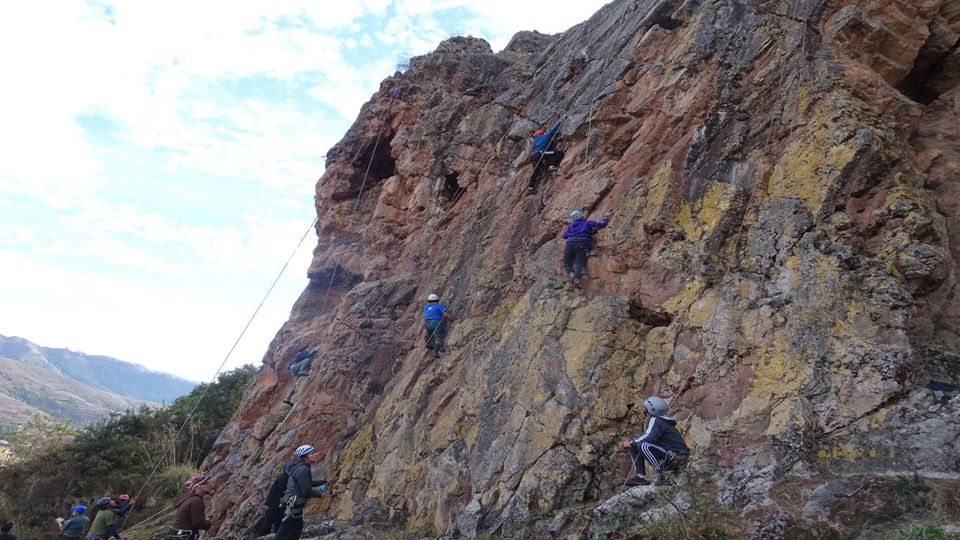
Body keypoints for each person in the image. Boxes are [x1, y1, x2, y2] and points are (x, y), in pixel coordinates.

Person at [619, 396, 690, 487]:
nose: (644, 411)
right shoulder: (663, 421)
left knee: (643, 445)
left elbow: (649, 438)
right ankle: (640, 477)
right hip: (677, 457)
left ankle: (662, 476)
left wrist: (630, 443)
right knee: (635, 445)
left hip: (676, 457)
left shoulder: (656, 420)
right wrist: (633, 443)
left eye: (645, 409)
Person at [276, 444, 330, 540]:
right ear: (305, 457)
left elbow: (307, 483)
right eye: (312, 453)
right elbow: (306, 490)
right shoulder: (303, 470)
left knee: (296, 528)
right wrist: (320, 495)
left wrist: (325, 481)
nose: (316, 454)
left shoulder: (302, 468)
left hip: (293, 502)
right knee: (287, 530)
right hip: (293, 503)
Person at [562, 210, 610, 287]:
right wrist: (606, 217)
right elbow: (602, 224)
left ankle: (573, 275)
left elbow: (564, 236)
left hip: (570, 244)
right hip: (583, 244)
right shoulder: (588, 223)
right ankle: (576, 280)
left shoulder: (571, 225)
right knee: (580, 264)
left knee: (566, 264)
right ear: (581, 215)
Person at [166, 474, 213, 540]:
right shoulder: (196, 501)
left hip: (177, 535)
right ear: (197, 487)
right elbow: (198, 523)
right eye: (205, 483)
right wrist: (211, 523)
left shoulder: (191, 499)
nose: (209, 485)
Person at [526, 121, 564, 192]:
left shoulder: (535, 141)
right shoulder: (545, 137)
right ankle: (551, 166)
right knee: (559, 153)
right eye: (543, 132)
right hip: (540, 153)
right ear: (542, 134)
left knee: (536, 171)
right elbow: (553, 130)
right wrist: (560, 123)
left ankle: (530, 187)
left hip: (533, 156)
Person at [253, 465, 289, 536]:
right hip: (274, 503)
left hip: (277, 503)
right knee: (269, 521)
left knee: (278, 520)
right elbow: (284, 490)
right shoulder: (282, 478)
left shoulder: (287, 478)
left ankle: (276, 534)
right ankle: (262, 535)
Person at [423, 294, 456, 358]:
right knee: (438, 337)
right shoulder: (439, 306)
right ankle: (436, 352)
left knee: (429, 333)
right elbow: (445, 314)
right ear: (437, 300)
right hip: (436, 323)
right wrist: (453, 319)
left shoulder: (426, 307)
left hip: (427, 324)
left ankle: (428, 343)